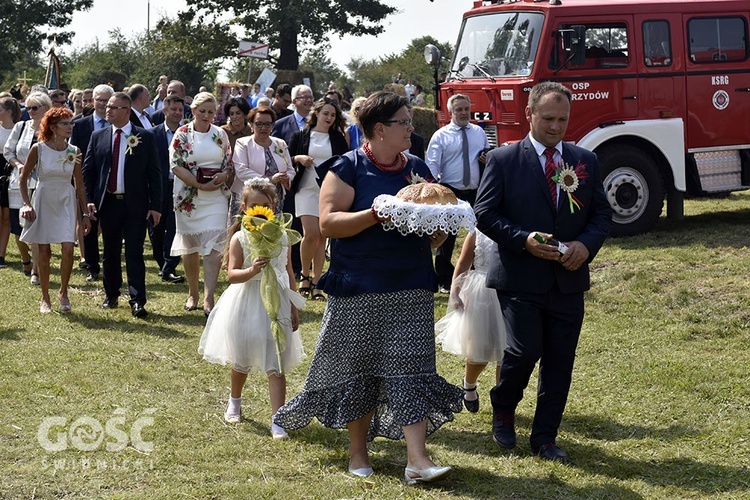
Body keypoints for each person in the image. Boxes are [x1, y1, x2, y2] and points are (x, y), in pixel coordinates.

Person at [274, 91, 462, 484]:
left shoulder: (418, 169)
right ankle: (357, 452)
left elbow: (430, 230)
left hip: (411, 284)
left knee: (412, 369)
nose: (412, 129)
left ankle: (417, 460)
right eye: (404, 123)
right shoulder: (347, 168)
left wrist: (441, 229)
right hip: (360, 286)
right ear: (380, 129)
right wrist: (377, 213)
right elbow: (328, 223)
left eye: (411, 122)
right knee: (359, 371)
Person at [474, 82, 612, 462]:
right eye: (548, 118)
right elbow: (484, 213)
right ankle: (503, 405)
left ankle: (545, 438)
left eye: (562, 119)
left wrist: (585, 246)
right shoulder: (503, 159)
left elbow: (601, 213)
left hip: (567, 277)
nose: (555, 126)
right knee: (523, 349)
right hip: (520, 275)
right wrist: (523, 239)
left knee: (560, 360)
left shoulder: (586, 159)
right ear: (529, 115)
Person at [199, 178, 305, 437]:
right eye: (254, 205)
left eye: (265, 205)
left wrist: (293, 305)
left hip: (276, 300)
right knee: (241, 357)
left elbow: (289, 271)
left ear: (273, 206)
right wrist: (251, 269)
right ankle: (234, 401)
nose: (259, 210)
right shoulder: (240, 237)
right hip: (246, 300)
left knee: (276, 360)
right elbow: (232, 274)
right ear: (245, 207)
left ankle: (278, 419)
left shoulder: (282, 236)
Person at [81, 92, 163, 318]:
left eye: (114, 107)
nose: (108, 110)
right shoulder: (98, 136)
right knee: (110, 250)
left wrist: (155, 205)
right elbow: (88, 171)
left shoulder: (144, 137)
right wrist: (88, 199)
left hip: (135, 204)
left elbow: (154, 174)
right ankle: (112, 294)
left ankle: (137, 300)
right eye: (107, 106)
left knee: (134, 251)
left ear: (127, 111)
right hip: (108, 203)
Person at [18, 108, 91, 313]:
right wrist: (26, 203)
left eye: (71, 123)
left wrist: (84, 213)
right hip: (43, 198)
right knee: (44, 251)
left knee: (68, 249)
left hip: (66, 200)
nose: (70, 127)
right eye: (65, 123)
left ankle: (63, 291)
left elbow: (79, 183)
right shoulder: (39, 149)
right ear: (52, 127)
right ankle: (45, 297)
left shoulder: (74, 151)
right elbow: (23, 178)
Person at [170, 92, 233, 315]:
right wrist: (198, 184)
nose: (206, 115)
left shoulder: (220, 134)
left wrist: (223, 176)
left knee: (214, 247)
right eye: (202, 111)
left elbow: (228, 163)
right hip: (189, 197)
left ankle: (209, 297)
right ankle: (193, 293)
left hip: (215, 196)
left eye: (211, 112)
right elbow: (176, 165)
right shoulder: (182, 133)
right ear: (193, 111)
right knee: (190, 248)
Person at [435, 230, 506, 413]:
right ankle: (469, 384)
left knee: (507, 352)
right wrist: (454, 292)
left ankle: (503, 402)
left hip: (510, 290)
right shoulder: (477, 233)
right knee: (480, 348)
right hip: (482, 292)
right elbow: (463, 263)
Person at [426, 94, 489, 293]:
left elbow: (486, 155)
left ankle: (475, 272)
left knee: (480, 232)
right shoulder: (441, 135)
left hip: (476, 189)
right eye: (458, 110)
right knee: (447, 235)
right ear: (450, 112)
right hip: (450, 190)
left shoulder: (479, 132)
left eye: (465, 109)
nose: (463, 113)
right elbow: (432, 164)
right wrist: (433, 188)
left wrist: (486, 158)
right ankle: (444, 279)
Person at [288, 98, 348, 301]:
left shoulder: (338, 137)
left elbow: (345, 162)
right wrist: (299, 158)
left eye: (333, 115)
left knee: (323, 236)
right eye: (326, 114)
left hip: (328, 191)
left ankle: (317, 282)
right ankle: (304, 275)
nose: (329, 118)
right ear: (317, 114)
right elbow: (287, 157)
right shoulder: (301, 135)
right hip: (305, 189)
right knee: (311, 234)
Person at [3, 92, 51, 285]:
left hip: (43, 184)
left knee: (37, 228)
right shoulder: (20, 127)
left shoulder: (53, 128)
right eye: (28, 108)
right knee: (18, 229)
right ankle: (26, 260)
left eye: (35, 108)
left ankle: (37, 272)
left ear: (46, 108)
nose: (30, 112)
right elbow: (8, 150)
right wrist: (18, 164)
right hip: (19, 183)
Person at [71, 84, 114, 282]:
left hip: (114, 181)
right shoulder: (80, 125)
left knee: (111, 225)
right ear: (92, 101)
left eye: (107, 100)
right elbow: (74, 155)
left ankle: (111, 264)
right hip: (88, 181)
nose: (103, 104)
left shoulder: (121, 123)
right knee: (88, 223)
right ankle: (92, 266)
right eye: (100, 100)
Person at [148, 94, 187, 284]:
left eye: (180, 110)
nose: (177, 113)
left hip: (180, 188)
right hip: (158, 187)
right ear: (164, 111)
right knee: (156, 229)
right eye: (174, 109)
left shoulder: (188, 135)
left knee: (175, 227)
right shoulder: (152, 134)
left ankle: (169, 266)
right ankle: (161, 262)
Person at [231, 106, 293, 218]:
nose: (263, 128)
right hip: (248, 198)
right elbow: (241, 171)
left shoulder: (280, 144)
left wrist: (286, 177)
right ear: (251, 124)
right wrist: (269, 180)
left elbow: (290, 169)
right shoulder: (242, 143)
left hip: (273, 199)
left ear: (272, 126)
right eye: (259, 124)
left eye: (267, 124)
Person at [0, 96, 22, 269]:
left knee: (6, 217)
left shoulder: (19, 130)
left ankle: (1, 254)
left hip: (11, 173)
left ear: (8, 112)